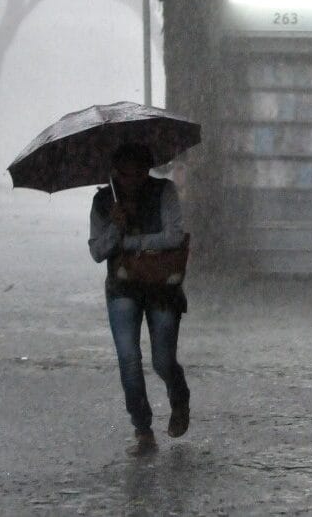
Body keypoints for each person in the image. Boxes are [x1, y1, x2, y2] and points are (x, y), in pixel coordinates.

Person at [88, 142, 190, 455]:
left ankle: (178, 396)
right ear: (115, 173)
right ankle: (143, 428)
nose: (131, 182)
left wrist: (132, 241)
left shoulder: (164, 192)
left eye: (138, 174)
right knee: (128, 358)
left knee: (162, 359)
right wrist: (115, 227)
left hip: (161, 285)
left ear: (147, 171)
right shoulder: (105, 200)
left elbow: (174, 235)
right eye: (125, 175)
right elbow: (97, 251)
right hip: (123, 286)